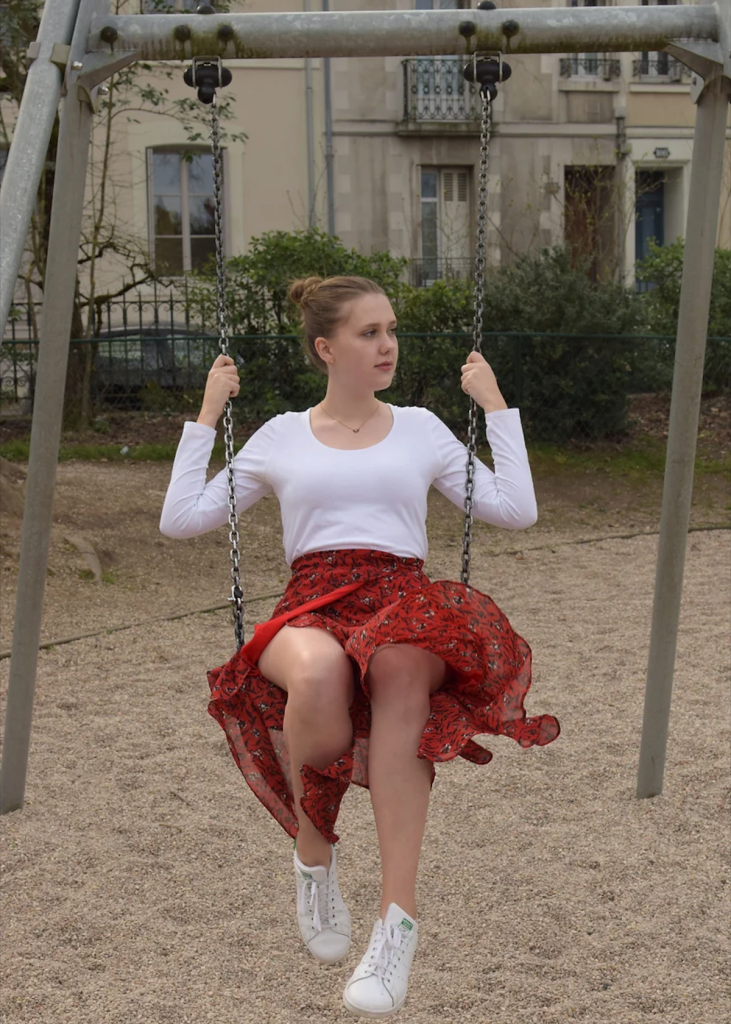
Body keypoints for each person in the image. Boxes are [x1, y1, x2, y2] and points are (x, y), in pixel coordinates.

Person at [159, 275, 560, 1019]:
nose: (386, 345)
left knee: (402, 664)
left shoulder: (420, 429)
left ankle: (394, 926)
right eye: (368, 332)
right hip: (312, 603)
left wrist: (494, 406)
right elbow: (181, 518)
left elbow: (515, 509)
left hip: (403, 599)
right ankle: (314, 856)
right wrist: (209, 414)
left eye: (391, 330)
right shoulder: (278, 434)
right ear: (325, 347)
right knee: (316, 669)